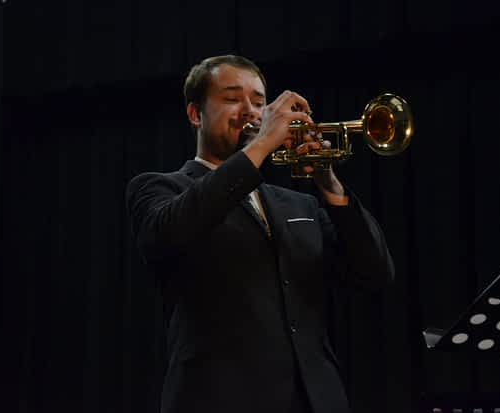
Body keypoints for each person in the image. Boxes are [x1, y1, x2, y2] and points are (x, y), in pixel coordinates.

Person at [125, 55, 394, 413]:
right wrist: (263, 143)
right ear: (195, 114)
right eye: (232, 98)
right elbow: (168, 233)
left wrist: (329, 183)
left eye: (258, 101)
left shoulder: (299, 204)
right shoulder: (159, 188)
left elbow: (374, 273)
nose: (250, 112)